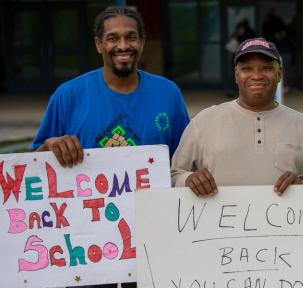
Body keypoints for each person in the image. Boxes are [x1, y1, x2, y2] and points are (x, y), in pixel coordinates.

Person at [29, 6, 190, 288]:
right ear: (99, 44)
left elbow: (185, 163)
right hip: (84, 245)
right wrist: (50, 147)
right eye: (113, 38)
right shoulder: (69, 95)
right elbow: (30, 169)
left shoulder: (168, 94)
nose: (123, 46)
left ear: (141, 41)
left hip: (152, 238)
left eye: (131, 37)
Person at [171, 37, 303, 203]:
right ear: (236, 76)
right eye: (246, 69)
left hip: (287, 239)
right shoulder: (204, 122)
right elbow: (173, 175)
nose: (257, 75)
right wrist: (188, 179)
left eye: (267, 68)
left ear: (279, 74)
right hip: (217, 238)